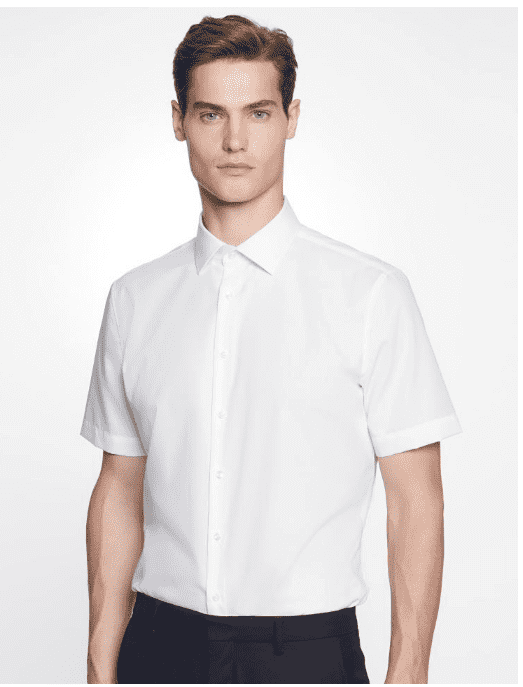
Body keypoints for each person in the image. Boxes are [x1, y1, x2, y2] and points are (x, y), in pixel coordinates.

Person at [81, 13, 462, 685]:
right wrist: (99, 660)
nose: (234, 141)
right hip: (158, 646)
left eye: (258, 113)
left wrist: (409, 674)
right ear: (179, 120)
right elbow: (119, 485)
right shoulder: (135, 299)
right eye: (210, 114)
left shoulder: (370, 294)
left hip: (308, 653)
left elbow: (416, 500)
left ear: (291, 118)